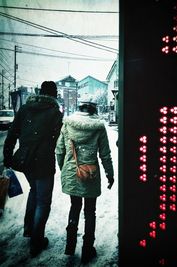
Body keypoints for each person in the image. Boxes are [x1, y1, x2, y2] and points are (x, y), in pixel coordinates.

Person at [3, 81, 63, 257]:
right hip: (44, 162)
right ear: (53, 95)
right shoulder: (55, 113)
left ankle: (29, 229)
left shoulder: (25, 109)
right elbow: (59, 141)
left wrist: (7, 157)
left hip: (26, 160)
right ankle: (36, 241)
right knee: (43, 201)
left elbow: (12, 134)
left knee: (34, 192)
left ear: (39, 92)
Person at [56, 100, 114, 264]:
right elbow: (105, 154)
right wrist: (110, 174)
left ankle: (70, 245)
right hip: (90, 174)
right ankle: (88, 249)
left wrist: (65, 169)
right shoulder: (98, 127)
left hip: (72, 172)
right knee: (90, 212)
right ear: (93, 110)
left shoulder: (67, 124)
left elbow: (59, 150)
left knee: (75, 207)